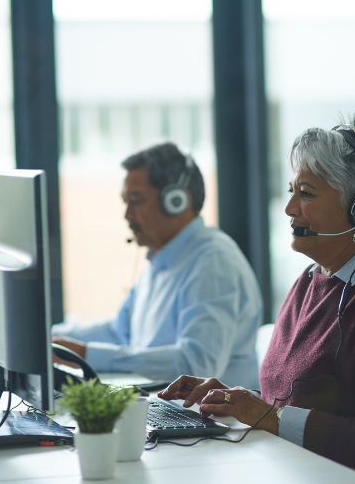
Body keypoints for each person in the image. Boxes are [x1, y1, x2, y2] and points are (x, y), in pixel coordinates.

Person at [159, 112, 355, 484]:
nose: (290, 209)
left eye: (307, 193)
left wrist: (270, 417)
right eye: (292, 191)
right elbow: (306, 401)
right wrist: (236, 399)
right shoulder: (314, 279)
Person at [52, 142, 263, 389]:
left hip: (215, 423)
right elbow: (120, 329)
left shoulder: (213, 263)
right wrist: (50, 338)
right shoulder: (161, 259)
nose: (127, 215)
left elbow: (196, 365)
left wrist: (87, 355)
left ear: (176, 201)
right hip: (169, 413)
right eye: (126, 202)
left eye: (136, 201)